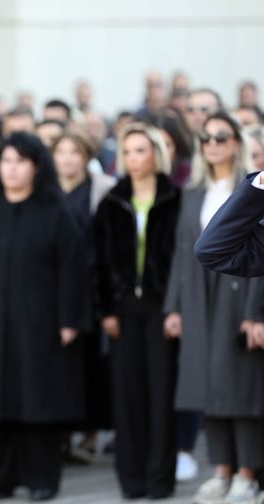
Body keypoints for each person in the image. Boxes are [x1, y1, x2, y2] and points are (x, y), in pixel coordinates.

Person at [0, 132, 88, 501]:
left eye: (21, 161)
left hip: (41, 324)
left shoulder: (55, 212)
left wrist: (69, 320)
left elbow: (73, 270)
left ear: (36, 167)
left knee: (39, 401)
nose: (12, 169)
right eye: (6, 161)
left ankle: (41, 479)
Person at [164, 111, 264, 504]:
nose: (213, 144)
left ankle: (246, 473)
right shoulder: (199, 191)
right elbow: (203, 249)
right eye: (206, 137)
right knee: (212, 384)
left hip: (240, 298)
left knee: (240, 389)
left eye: (222, 136)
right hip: (205, 296)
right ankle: (223, 471)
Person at [94, 123, 181, 499]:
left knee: (162, 396)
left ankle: (160, 481)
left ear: (156, 154)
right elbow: (96, 262)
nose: (133, 158)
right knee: (126, 395)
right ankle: (131, 481)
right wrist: (106, 310)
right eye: (127, 151)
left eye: (141, 150)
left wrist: (176, 307)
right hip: (124, 310)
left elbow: (183, 260)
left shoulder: (176, 200)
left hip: (163, 309)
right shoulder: (112, 201)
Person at [52, 131, 116, 461]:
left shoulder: (102, 189)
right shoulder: (46, 191)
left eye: (73, 152)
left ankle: (90, 433)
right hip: (57, 287)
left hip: (92, 282)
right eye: (60, 151)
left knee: (92, 362)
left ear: (85, 156)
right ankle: (61, 434)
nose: (66, 158)